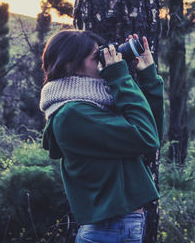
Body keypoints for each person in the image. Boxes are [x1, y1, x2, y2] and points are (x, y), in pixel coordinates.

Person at [39, 29, 164, 243]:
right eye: (96, 57)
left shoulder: (94, 106)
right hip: (109, 229)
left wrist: (148, 78)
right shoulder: (73, 114)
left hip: (117, 226)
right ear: (69, 65)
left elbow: (150, 137)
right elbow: (145, 136)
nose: (103, 61)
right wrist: (119, 76)